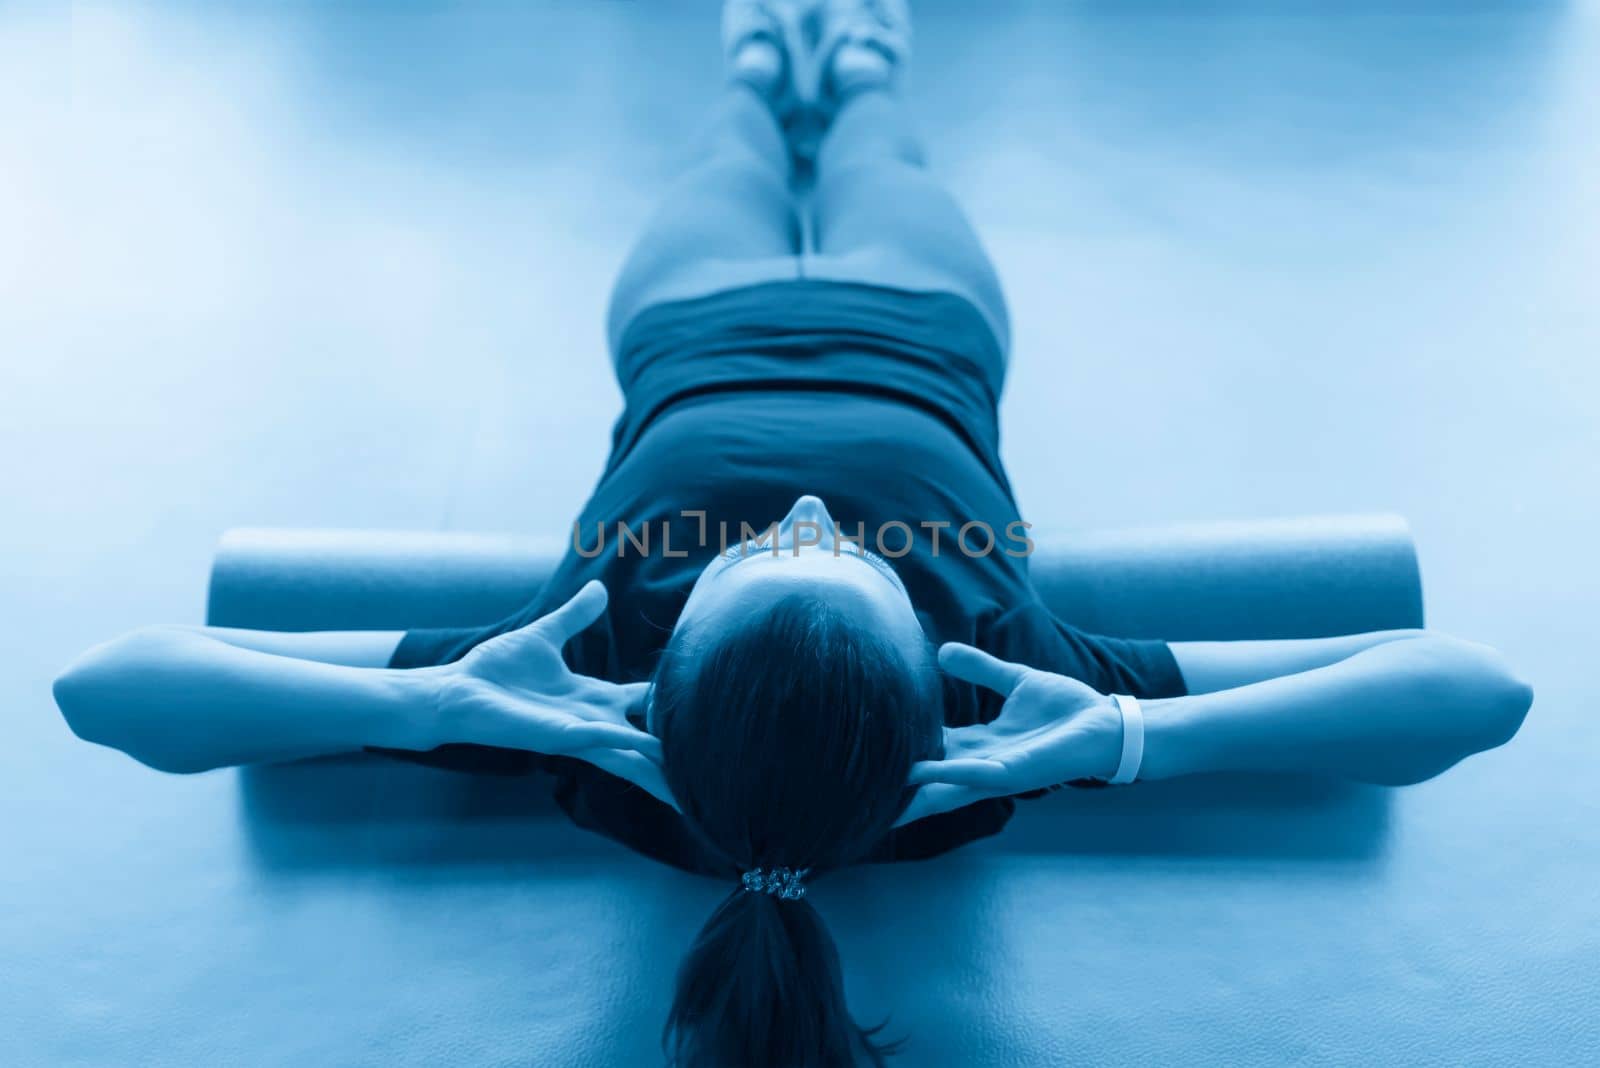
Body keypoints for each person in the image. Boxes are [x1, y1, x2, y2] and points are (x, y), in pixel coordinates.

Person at [52, 1, 1534, 1065]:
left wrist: (423, 701)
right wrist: (1131, 739)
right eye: (853, 558)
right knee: (876, 112)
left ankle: (765, 50)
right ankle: (854, 44)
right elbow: (1474, 688)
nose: (814, 514)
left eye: (763, 554)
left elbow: (107, 688)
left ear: (662, 667)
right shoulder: (1000, 692)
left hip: (689, 331)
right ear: (932, 671)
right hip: (921, 326)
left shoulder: (584, 697)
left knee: (744, 124)